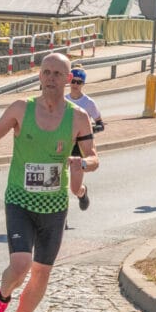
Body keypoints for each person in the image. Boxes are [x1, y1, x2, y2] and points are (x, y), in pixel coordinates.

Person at [0, 52, 99, 312]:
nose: (51, 78)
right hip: (19, 199)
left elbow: (94, 156)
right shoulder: (20, 109)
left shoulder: (79, 117)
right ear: (39, 76)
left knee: (41, 273)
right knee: (21, 265)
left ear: (68, 80)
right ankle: (0, 300)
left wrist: (84, 161)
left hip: (54, 205)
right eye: (46, 72)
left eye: (58, 74)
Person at [64, 67, 104, 211]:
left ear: (83, 84)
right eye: (73, 81)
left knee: (74, 187)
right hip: (64, 143)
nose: (75, 85)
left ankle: (82, 192)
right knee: (60, 180)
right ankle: (62, 216)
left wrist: (87, 130)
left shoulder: (88, 103)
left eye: (79, 82)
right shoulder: (63, 100)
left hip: (80, 146)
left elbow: (100, 124)